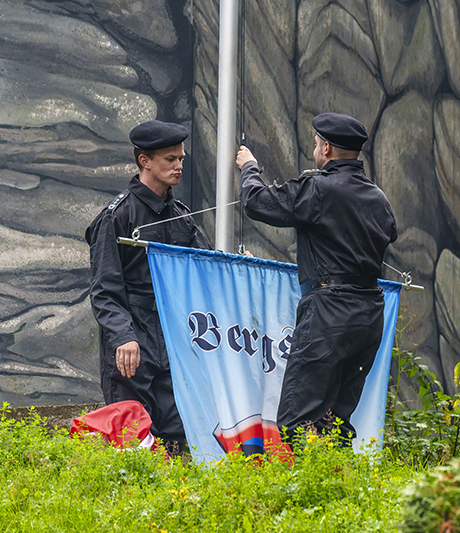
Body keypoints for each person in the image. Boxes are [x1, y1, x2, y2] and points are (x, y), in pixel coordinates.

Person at [235, 112, 398, 441]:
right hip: (369, 315)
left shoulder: (319, 188)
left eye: (315, 144)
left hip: (329, 312)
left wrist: (249, 168)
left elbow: (256, 202)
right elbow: (389, 233)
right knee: (336, 420)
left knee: (299, 417)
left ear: (326, 148)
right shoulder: (378, 198)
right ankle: (338, 487)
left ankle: (308, 489)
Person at [86, 120, 212, 448]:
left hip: (174, 337)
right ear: (145, 161)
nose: (179, 166)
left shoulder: (182, 217)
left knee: (178, 432)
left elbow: (205, 271)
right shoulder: (117, 217)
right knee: (132, 437)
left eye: (181, 159)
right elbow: (104, 289)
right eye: (170, 159)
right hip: (133, 336)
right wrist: (124, 337)